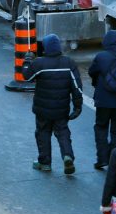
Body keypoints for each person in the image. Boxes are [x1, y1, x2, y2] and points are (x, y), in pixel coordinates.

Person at [25, 33, 83, 174]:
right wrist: (77, 106)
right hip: (61, 110)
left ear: (45, 47)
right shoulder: (69, 63)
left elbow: (27, 77)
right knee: (63, 132)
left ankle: (45, 163)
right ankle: (67, 156)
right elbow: (77, 87)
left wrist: (28, 61)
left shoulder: (39, 63)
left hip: (42, 110)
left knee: (43, 133)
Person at [88, 31, 116, 170]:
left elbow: (91, 72)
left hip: (103, 100)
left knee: (101, 127)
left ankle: (102, 158)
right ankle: (114, 160)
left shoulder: (101, 56)